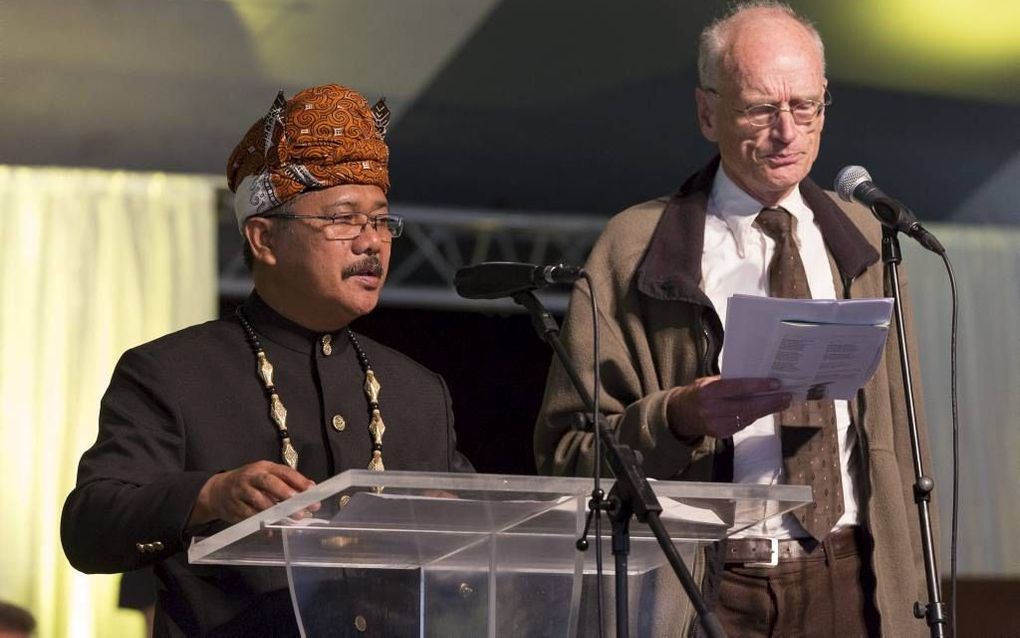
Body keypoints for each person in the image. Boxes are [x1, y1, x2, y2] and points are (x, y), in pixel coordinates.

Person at [534, 3, 934, 636]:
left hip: (851, 579)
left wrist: (912, 582)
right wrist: (677, 418)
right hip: (705, 586)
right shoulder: (635, 248)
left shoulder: (866, 240)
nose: (787, 133)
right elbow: (565, 454)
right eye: (759, 109)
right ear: (706, 113)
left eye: (807, 107)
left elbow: (904, 449)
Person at [62, 83, 473, 636]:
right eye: (343, 218)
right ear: (264, 239)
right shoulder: (173, 373)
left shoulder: (417, 392)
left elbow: (481, 542)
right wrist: (209, 495)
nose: (371, 242)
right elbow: (89, 527)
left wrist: (457, 522)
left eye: (380, 221)